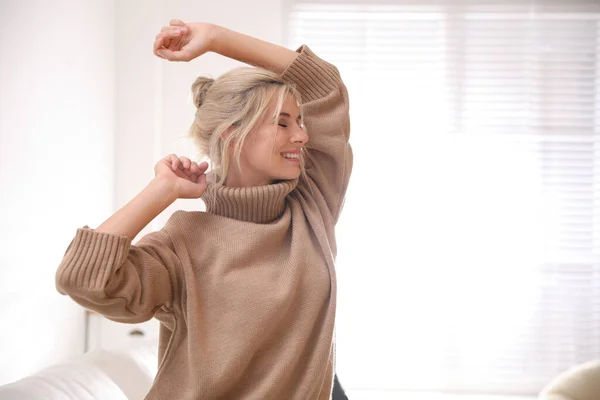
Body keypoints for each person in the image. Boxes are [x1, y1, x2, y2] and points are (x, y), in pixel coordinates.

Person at [55, 18, 352, 399]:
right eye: (282, 123)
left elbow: (325, 85)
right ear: (233, 136)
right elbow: (80, 279)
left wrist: (214, 37)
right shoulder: (183, 242)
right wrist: (161, 190)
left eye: (300, 121)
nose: (302, 134)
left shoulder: (313, 202)